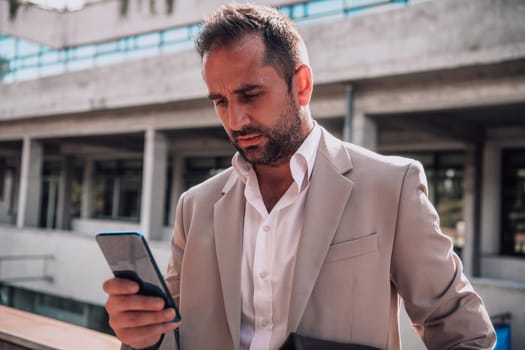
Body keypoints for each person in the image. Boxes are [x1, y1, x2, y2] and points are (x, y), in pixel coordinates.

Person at [103, 3, 496, 350]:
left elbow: (464, 333)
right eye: (220, 101)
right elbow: (170, 337)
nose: (235, 119)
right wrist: (143, 338)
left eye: (250, 94)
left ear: (301, 85)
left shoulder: (391, 186)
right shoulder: (195, 207)